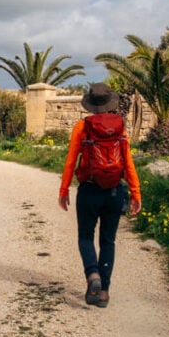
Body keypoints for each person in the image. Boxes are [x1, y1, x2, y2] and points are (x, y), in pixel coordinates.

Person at [58, 83, 142, 308]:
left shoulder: (81, 128)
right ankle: (104, 292)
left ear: (91, 105)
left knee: (85, 237)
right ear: (110, 103)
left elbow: (70, 161)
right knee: (108, 240)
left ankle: (92, 275)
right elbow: (128, 162)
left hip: (88, 189)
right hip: (114, 191)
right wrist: (135, 192)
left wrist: (64, 190)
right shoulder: (120, 128)